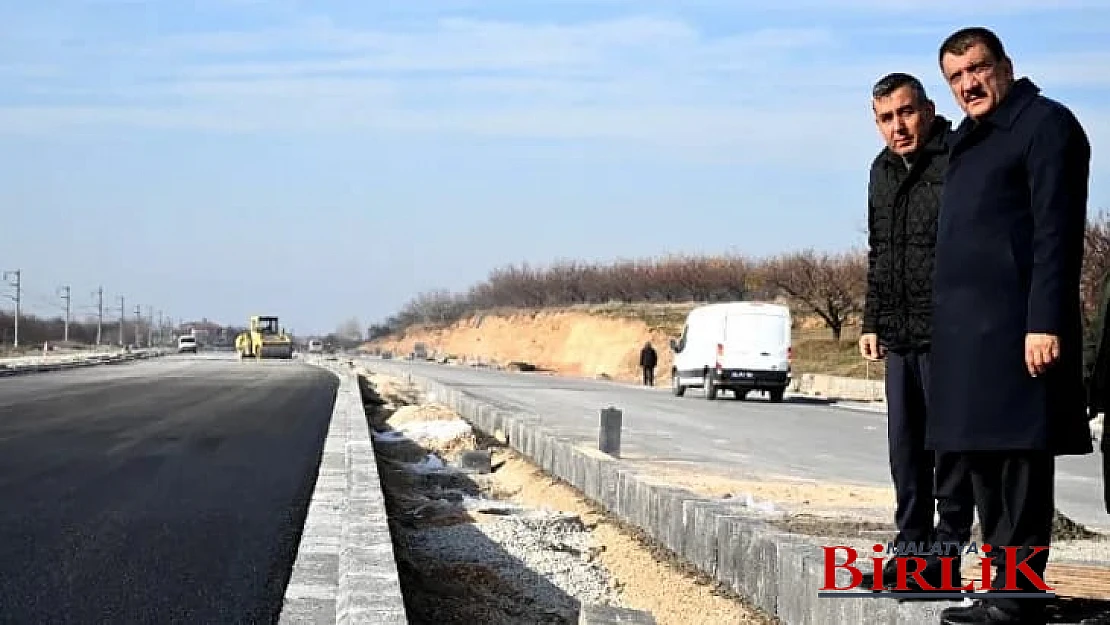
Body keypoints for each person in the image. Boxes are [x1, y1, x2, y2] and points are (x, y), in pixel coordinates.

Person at [928, 27, 1093, 625]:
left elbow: (1057, 232)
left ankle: (1019, 598)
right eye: (956, 77)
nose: (969, 84)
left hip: (1020, 330)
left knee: (1020, 464)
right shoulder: (969, 139)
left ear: (1005, 64)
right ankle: (1000, 589)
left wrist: (1045, 321)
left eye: (977, 68)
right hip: (968, 338)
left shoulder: (1046, 125)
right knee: (983, 464)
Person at [860, 71, 975, 592]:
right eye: (886, 118)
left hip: (949, 333)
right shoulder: (881, 171)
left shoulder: (958, 159)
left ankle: (944, 563)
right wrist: (871, 321)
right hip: (899, 336)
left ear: (927, 109)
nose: (898, 126)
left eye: (905, 112)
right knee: (905, 452)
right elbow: (879, 251)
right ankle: (910, 554)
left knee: (950, 453)